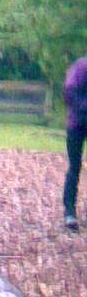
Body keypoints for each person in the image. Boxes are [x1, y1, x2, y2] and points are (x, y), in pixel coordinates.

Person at [62, 55, 87, 231]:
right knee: (75, 167)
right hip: (77, 124)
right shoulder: (81, 66)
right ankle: (69, 212)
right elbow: (69, 90)